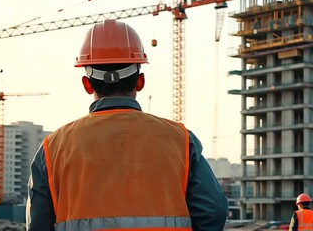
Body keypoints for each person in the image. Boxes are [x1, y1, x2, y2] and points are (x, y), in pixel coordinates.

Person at [26, 19, 228, 231]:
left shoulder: (53, 149)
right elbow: (213, 210)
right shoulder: (181, 140)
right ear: (140, 81)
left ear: (87, 85)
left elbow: (39, 224)